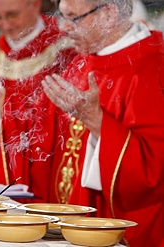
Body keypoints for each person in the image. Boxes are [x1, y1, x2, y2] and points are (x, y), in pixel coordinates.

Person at [41, 0, 164, 246]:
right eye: (60, 16)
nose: (63, 28)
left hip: (127, 227)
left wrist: (98, 122)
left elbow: (154, 170)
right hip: (74, 223)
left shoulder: (154, 67)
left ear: (108, 15)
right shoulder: (81, 62)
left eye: (73, 17)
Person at [0, 0, 77, 202]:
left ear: (35, 5)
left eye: (11, 15)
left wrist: (4, 101)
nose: (5, 25)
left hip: (43, 179)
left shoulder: (66, 51)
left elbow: (65, 123)